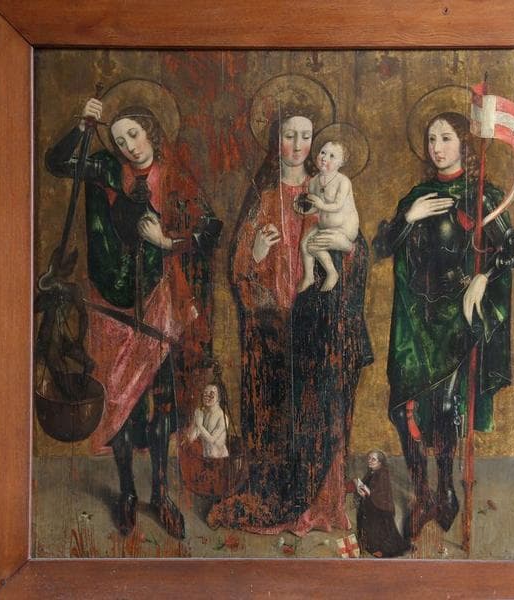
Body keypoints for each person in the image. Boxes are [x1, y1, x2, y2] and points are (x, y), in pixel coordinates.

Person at [45, 87, 222, 539]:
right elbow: (57, 163)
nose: (129, 146)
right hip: (111, 304)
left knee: (160, 403)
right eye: (121, 139)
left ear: (152, 133)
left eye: (135, 135)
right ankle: (127, 491)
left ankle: (160, 493)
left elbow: (210, 230)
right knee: (121, 403)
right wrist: (82, 126)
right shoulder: (105, 168)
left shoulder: (176, 178)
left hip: (160, 300)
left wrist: (166, 242)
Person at [207, 93, 373, 534]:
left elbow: (355, 246)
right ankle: (277, 494)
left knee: (318, 414)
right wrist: (258, 252)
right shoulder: (263, 199)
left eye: (305, 136)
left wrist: (345, 252)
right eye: (288, 135)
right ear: (275, 141)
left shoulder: (329, 190)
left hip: (316, 329)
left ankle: (320, 502)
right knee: (277, 415)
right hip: (273, 331)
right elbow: (240, 271)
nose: (298, 145)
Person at [373, 111, 514, 540]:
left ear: (463, 144)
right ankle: (422, 494)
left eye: (446, 138)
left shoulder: (482, 195)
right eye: (431, 139)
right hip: (414, 320)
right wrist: (409, 216)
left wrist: (483, 278)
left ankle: (445, 490)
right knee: (403, 409)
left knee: (442, 410)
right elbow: (382, 246)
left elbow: (513, 250)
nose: (437, 147)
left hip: (455, 317)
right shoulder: (416, 195)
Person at [297, 140, 359, 292]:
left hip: (344, 228)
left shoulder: (343, 182)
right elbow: (316, 208)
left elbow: (337, 205)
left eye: (332, 156)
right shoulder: (313, 182)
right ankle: (309, 277)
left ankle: (332, 273)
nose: (325, 158)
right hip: (324, 225)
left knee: (313, 245)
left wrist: (320, 205)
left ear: (341, 163)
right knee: (304, 243)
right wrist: (304, 210)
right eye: (323, 152)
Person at [354, 450, 410, 558]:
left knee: (378, 528)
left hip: (381, 508)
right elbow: (366, 487)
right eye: (369, 458)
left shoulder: (383, 473)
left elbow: (381, 494)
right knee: (364, 518)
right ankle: (368, 546)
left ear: (380, 463)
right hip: (371, 504)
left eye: (373, 459)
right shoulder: (371, 472)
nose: (370, 461)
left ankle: (381, 550)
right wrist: (360, 489)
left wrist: (368, 492)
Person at [187, 383, 229, 458]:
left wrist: (199, 425)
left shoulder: (222, 417)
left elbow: (212, 439)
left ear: (219, 398)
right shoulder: (202, 413)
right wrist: (195, 420)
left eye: (211, 394)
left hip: (220, 458)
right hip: (206, 457)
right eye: (205, 394)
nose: (207, 397)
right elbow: (191, 438)